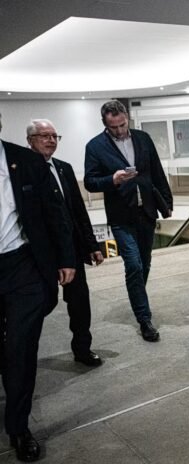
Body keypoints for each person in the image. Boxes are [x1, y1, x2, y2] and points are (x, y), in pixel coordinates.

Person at [1, 112, 76, 462]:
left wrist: (66, 258)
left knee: (20, 349)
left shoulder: (25, 161)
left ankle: (19, 428)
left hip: (22, 266)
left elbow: (54, 213)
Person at [84, 100, 173, 342]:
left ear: (127, 118)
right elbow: (90, 181)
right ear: (105, 124)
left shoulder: (143, 138)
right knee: (133, 265)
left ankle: (137, 297)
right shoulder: (95, 146)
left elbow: (156, 170)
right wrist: (112, 179)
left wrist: (167, 202)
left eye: (123, 125)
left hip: (146, 211)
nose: (120, 130)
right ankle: (144, 318)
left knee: (144, 264)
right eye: (113, 127)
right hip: (121, 215)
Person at [27, 119, 104, 367]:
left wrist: (92, 245)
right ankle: (22, 356)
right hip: (40, 253)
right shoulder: (23, 170)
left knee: (80, 302)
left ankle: (82, 348)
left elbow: (78, 210)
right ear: (30, 140)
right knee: (41, 303)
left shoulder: (63, 168)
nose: (50, 140)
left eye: (54, 136)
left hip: (71, 248)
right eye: (44, 136)